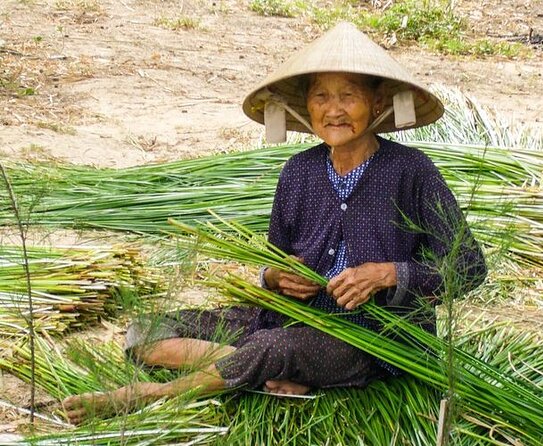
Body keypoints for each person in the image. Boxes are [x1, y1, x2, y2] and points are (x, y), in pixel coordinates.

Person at [63, 22, 486, 424]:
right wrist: (275, 278)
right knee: (148, 330)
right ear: (307, 106)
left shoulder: (411, 171)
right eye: (321, 97)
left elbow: (469, 266)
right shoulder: (298, 172)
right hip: (293, 319)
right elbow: (271, 263)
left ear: (375, 104)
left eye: (349, 96)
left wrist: (387, 274)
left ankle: (150, 394)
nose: (333, 110)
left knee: (273, 346)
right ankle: (258, 367)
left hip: (373, 338)